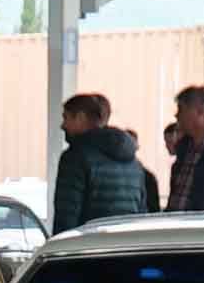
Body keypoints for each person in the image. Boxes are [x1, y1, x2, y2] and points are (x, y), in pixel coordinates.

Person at [52, 93, 147, 233]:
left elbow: (67, 215)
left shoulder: (75, 158)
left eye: (66, 117)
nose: (62, 125)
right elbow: (141, 213)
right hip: (127, 247)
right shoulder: (134, 164)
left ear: (81, 117)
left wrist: (59, 249)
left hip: (89, 249)